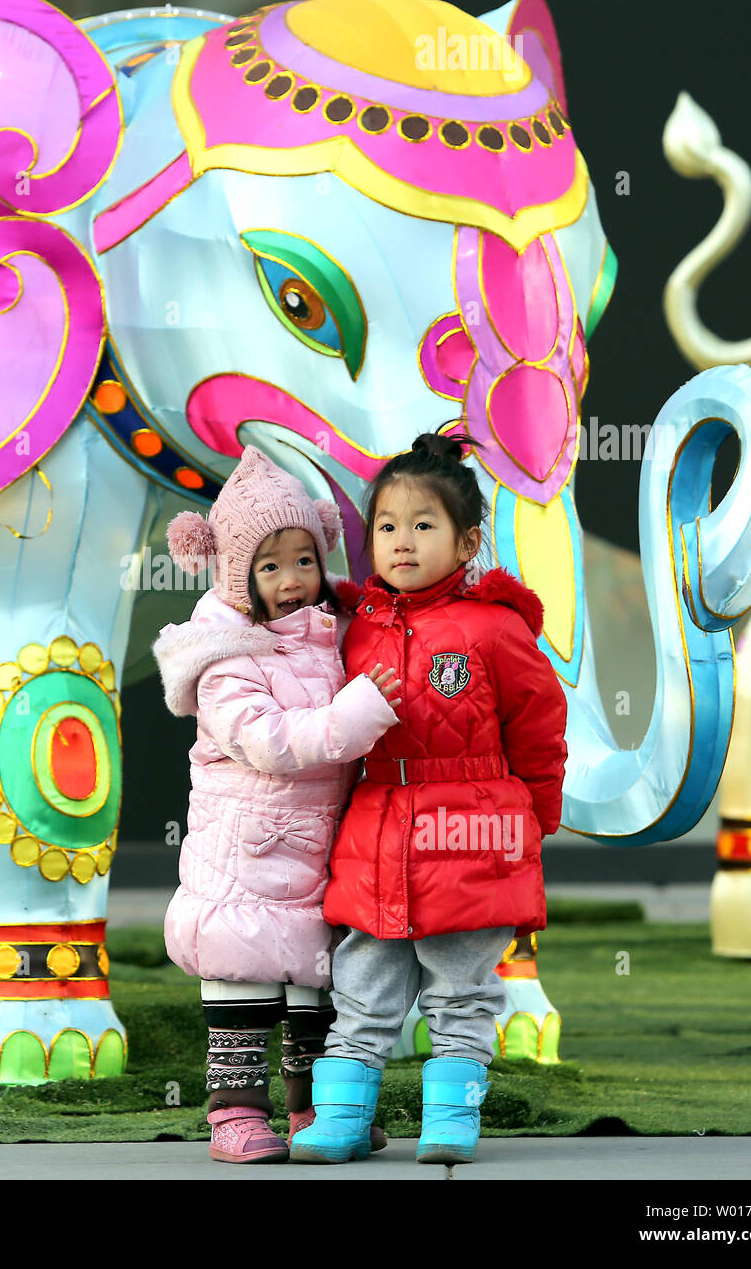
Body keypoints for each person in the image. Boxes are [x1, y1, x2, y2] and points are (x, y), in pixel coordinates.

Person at [290, 432, 568, 1166]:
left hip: (470, 839)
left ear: (466, 540)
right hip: (378, 833)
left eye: (423, 525)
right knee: (362, 985)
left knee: (461, 988)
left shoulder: (495, 629)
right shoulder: (353, 631)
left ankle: (452, 1118)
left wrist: (535, 820)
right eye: (387, 526)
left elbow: (539, 728)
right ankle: (343, 1119)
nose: (401, 542)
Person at [152, 445, 401, 1164]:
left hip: (319, 854)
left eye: (303, 560)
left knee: (314, 996)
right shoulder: (224, 655)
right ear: (237, 573)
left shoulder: (331, 635)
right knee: (244, 986)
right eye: (269, 566)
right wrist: (359, 712)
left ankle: (311, 1109)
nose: (292, 580)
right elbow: (271, 743)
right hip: (245, 856)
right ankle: (233, 1110)